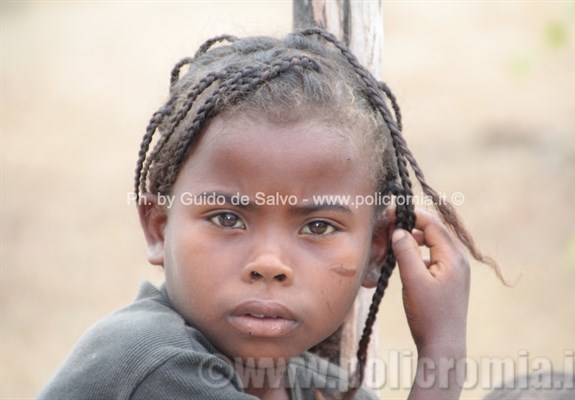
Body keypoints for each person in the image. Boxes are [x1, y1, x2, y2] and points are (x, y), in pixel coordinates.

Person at [38, 28, 502, 400]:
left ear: (376, 252)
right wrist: (443, 353)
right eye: (227, 218)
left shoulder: (312, 384)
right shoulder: (155, 362)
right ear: (160, 228)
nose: (269, 264)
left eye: (318, 226)